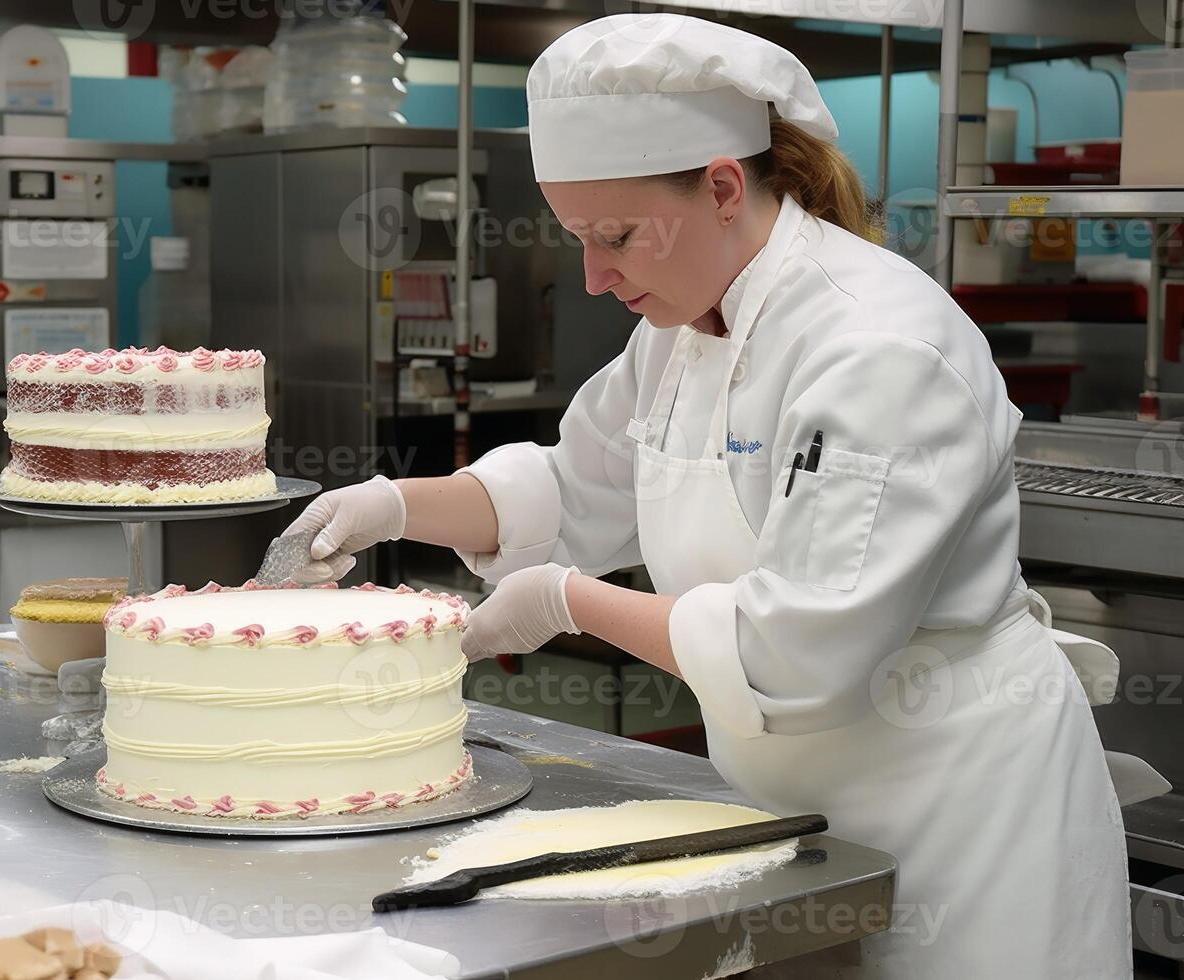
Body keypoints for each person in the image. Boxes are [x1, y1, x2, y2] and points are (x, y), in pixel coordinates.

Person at [284, 14, 1129, 978]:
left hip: (956, 809)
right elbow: (575, 486)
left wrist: (567, 602)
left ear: (724, 187)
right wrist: (393, 505)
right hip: (789, 807)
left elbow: (797, 653)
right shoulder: (683, 329)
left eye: (618, 238)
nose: (598, 278)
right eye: (576, 241)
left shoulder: (878, 348)